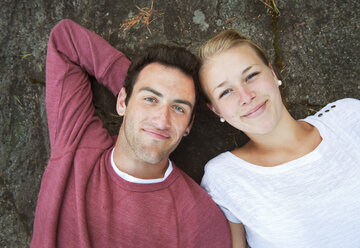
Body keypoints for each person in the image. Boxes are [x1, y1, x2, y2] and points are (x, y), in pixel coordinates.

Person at [30, 19, 232, 247]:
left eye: (178, 108)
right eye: (150, 99)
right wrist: (132, 86)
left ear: (189, 125)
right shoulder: (77, 144)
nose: (161, 120)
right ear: (122, 101)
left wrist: (142, 96)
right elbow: (66, 40)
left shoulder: (200, 219)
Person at [199, 30, 360, 248]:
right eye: (226, 92)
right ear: (216, 110)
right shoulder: (223, 177)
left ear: (272, 73)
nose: (246, 96)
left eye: (251, 76)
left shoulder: (351, 117)